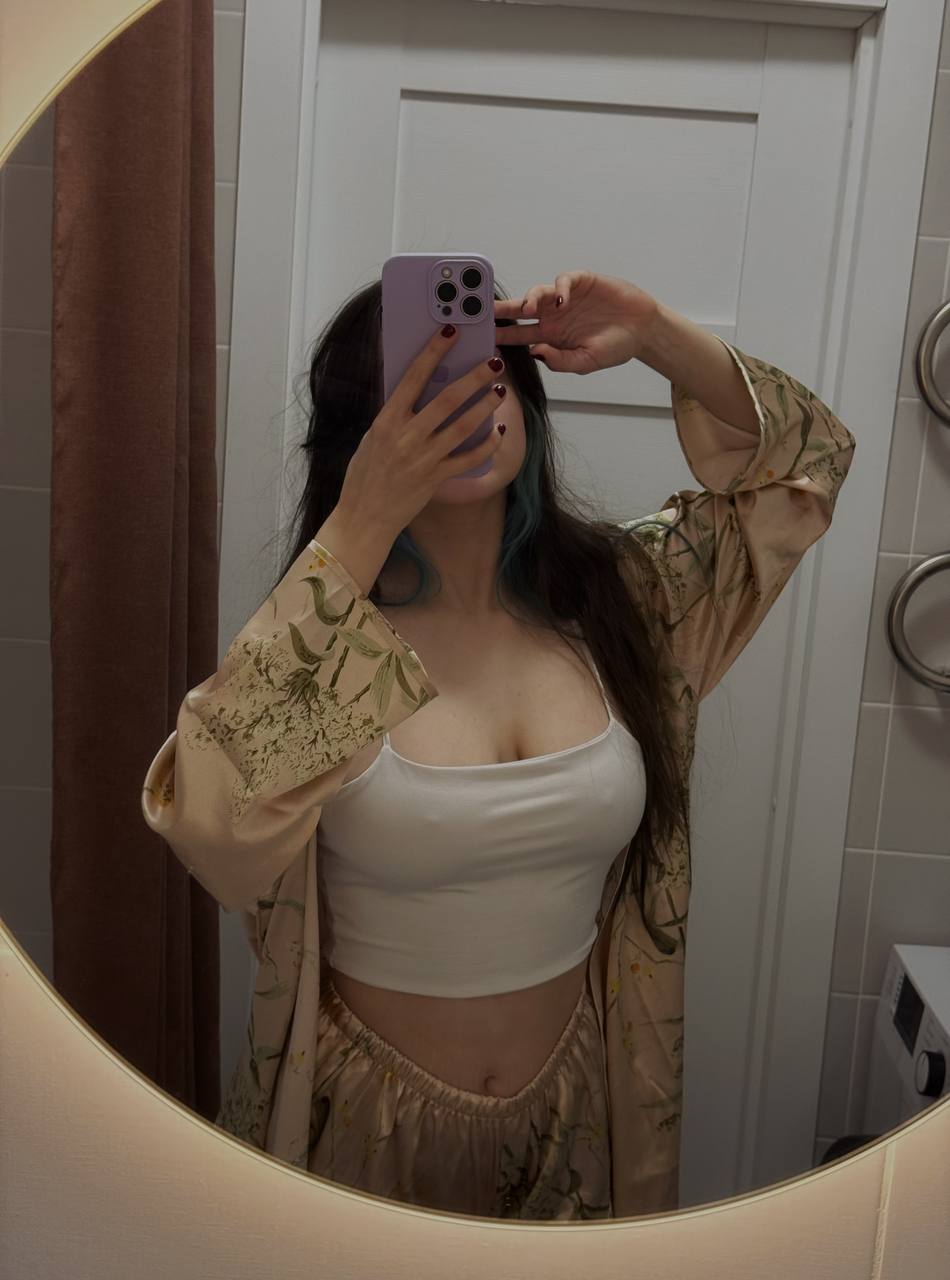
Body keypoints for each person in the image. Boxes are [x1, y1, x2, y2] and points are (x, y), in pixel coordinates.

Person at [142, 269, 856, 1220]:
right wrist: (361, 520)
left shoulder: (628, 603)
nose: (458, 401)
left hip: (578, 1119)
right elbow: (206, 823)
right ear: (362, 438)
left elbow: (809, 462)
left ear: (524, 398)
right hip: (361, 1127)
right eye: (414, 389)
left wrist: (651, 332)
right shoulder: (323, 647)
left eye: (481, 371)